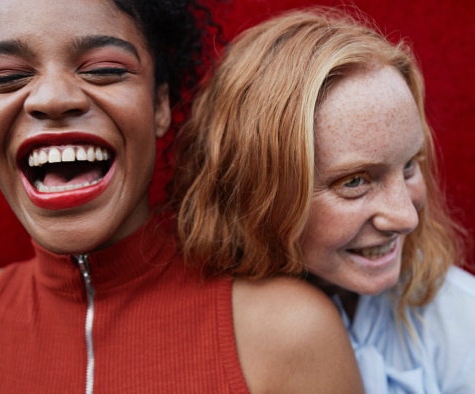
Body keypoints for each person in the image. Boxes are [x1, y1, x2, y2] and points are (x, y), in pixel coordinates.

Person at [0, 0, 364, 392]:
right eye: (3, 79)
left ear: (160, 104)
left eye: (104, 69)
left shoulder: (290, 334)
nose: (52, 98)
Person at [172, 7, 475, 393]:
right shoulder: (191, 327)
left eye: (409, 165)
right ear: (258, 190)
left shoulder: (461, 325)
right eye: (354, 181)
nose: (405, 218)